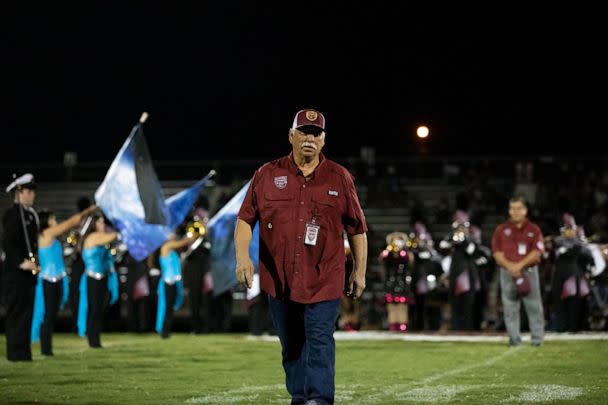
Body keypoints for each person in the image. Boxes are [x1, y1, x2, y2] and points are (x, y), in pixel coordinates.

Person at [234, 108, 368, 405]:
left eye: (316, 133)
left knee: (319, 341)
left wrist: (359, 271)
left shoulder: (340, 177)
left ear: (323, 140)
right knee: (292, 346)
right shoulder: (266, 174)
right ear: (291, 136)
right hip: (279, 278)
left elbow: (357, 228)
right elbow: (245, 219)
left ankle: (318, 400)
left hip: (324, 278)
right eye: (304, 132)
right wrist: (243, 258)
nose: (309, 138)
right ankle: (300, 397)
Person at [31, 204, 98, 355]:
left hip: (57, 278)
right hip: (48, 280)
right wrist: (89, 210)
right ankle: (45, 350)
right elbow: (71, 223)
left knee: (52, 315)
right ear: (46, 221)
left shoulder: (51, 236)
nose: (55, 221)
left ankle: (47, 348)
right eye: (53, 218)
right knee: (47, 315)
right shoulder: (46, 234)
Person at [491, 195, 545, 346]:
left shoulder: (534, 230)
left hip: (528, 272)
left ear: (525, 210)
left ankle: (537, 340)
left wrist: (519, 266)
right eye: (512, 208)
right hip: (507, 272)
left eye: (519, 208)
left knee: (534, 305)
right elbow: (496, 252)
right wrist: (510, 266)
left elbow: (537, 252)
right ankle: (514, 339)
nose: (515, 211)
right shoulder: (501, 229)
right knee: (509, 307)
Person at [2, 173, 39, 361]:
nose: (32, 195)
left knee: (26, 314)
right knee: (16, 314)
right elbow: (8, 243)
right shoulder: (13, 214)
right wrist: (21, 262)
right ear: (19, 193)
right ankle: (15, 353)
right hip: (15, 275)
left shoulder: (30, 216)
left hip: (27, 276)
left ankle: (24, 352)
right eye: (29, 191)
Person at [77, 214, 119, 348]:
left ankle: (95, 339)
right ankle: (93, 340)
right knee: (94, 310)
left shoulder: (100, 238)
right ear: (94, 224)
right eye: (100, 223)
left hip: (102, 277)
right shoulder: (94, 237)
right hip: (93, 278)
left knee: (98, 309)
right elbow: (113, 236)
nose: (103, 225)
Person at [155, 231, 195, 338]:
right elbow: (181, 243)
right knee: (166, 307)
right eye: (171, 234)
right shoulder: (166, 246)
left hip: (173, 282)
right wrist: (189, 236)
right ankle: (164, 331)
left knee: (170, 307)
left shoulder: (172, 251)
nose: (174, 236)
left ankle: (166, 331)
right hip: (167, 282)